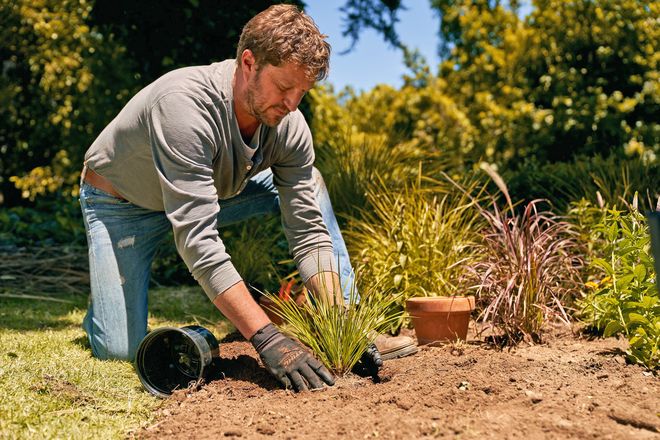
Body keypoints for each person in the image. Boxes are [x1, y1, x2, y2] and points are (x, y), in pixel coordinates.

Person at [79, 4, 416, 392]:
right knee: (121, 350)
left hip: (209, 192)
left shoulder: (288, 125)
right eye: (284, 87)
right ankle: (106, 308)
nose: (292, 104)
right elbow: (198, 241)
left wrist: (340, 331)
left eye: (302, 92)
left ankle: (351, 321)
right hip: (122, 208)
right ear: (249, 63)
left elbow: (308, 229)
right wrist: (267, 338)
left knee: (312, 182)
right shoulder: (184, 106)